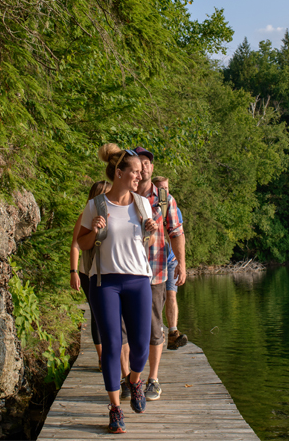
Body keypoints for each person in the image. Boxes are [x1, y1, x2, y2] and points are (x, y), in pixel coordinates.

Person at [77, 144, 157, 434]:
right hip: (104, 282)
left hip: (138, 280)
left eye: (141, 172)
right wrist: (95, 231)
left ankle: (134, 381)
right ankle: (114, 408)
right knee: (111, 345)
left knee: (140, 344)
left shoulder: (142, 204)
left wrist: (151, 230)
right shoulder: (95, 205)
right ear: (119, 173)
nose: (140, 176)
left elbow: (143, 242)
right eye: (135, 172)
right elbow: (82, 244)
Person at [130, 147, 186, 402]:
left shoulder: (164, 199)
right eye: (139, 163)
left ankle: (153, 379)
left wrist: (182, 264)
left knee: (154, 327)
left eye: (147, 163)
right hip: (126, 271)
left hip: (156, 272)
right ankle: (131, 377)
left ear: (152, 168)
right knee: (126, 328)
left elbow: (176, 233)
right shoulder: (124, 196)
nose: (144, 167)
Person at [69, 181, 130, 378]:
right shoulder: (85, 217)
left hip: (111, 271)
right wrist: (73, 272)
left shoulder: (117, 214)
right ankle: (102, 356)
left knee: (117, 317)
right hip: (89, 272)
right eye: (104, 195)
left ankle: (119, 359)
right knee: (96, 315)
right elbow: (76, 245)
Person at [152, 176, 188, 350]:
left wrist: (181, 262)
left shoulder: (173, 208)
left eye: (166, 188)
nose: (164, 192)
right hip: (154, 261)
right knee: (158, 298)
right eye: (160, 189)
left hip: (171, 260)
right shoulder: (148, 205)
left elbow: (179, 235)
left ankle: (173, 333)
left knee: (171, 295)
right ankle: (157, 332)